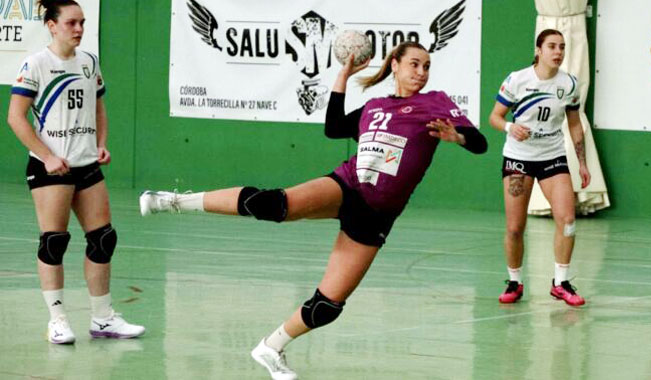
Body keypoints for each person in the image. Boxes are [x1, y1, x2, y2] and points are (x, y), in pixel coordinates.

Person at [139, 41, 487, 379]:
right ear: (394, 64)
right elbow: (333, 128)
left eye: (427, 66)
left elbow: (480, 143)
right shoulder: (375, 106)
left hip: (377, 214)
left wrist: (457, 138)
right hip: (347, 185)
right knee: (274, 205)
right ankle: (172, 200)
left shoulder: (435, 103)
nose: (422, 72)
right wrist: (343, 76)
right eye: (414, 64)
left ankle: (271, 347)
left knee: (328, 306)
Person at [7, 0, 145, 344]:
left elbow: (98, 107)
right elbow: (15, 118)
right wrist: (46, 156)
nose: (79, 29)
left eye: (82, 22)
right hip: (50, 168)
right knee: (54, 242)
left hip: (86, 166)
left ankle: (102, 320)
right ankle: (57, 320)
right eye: (71, 23)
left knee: (103, 238)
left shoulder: (89, 62)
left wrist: (101, 143)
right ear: (52, 26)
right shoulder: (36, 64)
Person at [488, 29, 591, 307]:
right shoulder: (517, 80)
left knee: (568, 220)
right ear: (538, 50)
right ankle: (514, 281)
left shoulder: (569, 84)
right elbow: (494, 117)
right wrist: (511, 126)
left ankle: (560, 282)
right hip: (518, 160)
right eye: (552, 46)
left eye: (562, 47)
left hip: (552, 158)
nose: (558, 52)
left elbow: (574, 124)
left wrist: (582, 163)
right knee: (514, 228)